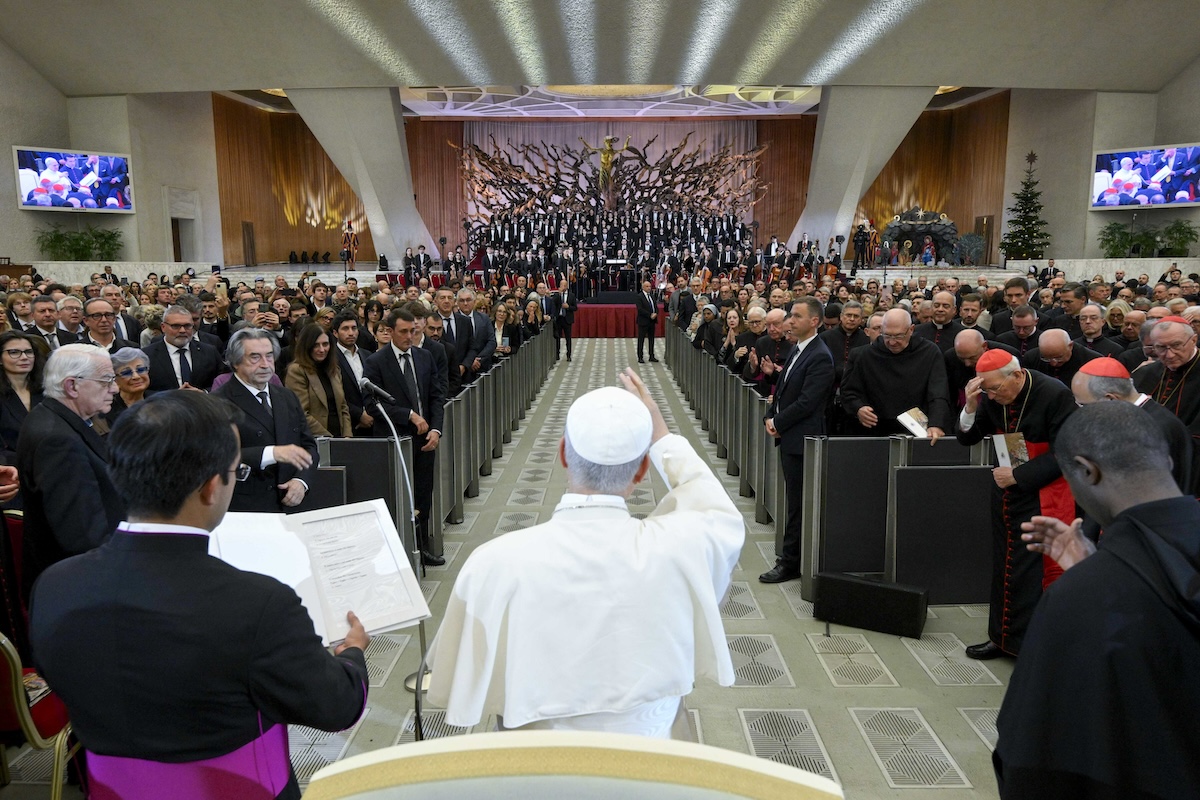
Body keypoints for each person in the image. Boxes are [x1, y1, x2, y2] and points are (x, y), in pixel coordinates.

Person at [29, 391, 369, 800]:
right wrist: (352, 652)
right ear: (211, 487)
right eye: (235, 472)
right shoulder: (258, 603)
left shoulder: (54, 585)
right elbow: (337, 706)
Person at [427, 370, 743, 738]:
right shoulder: (679, 547)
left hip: (535, 762)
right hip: (651, 754)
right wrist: (662, 437)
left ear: (563, 453)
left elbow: (456, 675)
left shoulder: (494, 561)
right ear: (642, 469)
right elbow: (716, 510)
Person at [993, 402, 1200, 798]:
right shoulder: (1096, 580)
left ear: (1087, 472)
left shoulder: (1078, 600)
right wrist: (1097, 566)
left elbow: (1033, 754)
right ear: (1168, 461)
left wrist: (1091, 578)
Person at [956, 349, 1076, 659]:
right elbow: (968, 438)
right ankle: (1001, 638)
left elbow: (1069, 451)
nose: (993, 397)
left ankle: (1030, 647)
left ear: (1018, 375)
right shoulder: (993, 397)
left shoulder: (1054, 394)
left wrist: (1019, 475)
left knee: (1030, 571)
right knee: (1004, 565)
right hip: (1006, 489)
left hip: (1042, 492)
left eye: (996, 389)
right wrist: (970, 406)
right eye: (987, 391)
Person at [16, 344, 124, 603]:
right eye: (106, 380)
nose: (115, 388)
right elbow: (83, 537)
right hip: (82, 591)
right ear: (72, 386)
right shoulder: (57, 440)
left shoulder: (56, 417)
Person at [363, 308, 446, 566]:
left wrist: (436, 429)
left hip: (424, 440)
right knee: (397, 496)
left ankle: (421, 548)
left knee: (423, 494)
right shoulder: (376, 362)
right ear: (390, 331)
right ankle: (396, 552)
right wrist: (407, 415)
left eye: (413, 331)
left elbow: (436, 396)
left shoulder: (424, 357)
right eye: (403, 332)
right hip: (394, 440)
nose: (409, 336)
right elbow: (371, 404)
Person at [760, 298, 835, 584]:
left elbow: (808, 402)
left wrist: (778, 422)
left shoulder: (819, 355)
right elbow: (782, 390)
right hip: (790, 434)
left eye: (796, 316)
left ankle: (790, 562)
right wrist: (771, 414)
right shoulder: (798, 348)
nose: (790, 321)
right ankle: (790, 556)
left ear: (814, 321)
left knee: (798, 504)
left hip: (804, 439)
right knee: (793, 499)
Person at [213, 329, 317, 512]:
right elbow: (217, 456)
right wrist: (271, 453)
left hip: (291, 504)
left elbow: (309, 446)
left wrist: (301, 481)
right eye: (255, 357)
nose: (265, 364)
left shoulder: (286, 396)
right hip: (246, 509)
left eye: (269, 356)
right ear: (236, 362)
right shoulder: (218, 401)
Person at [840, 309, 951, 440]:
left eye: (898, 336)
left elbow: (938, 392)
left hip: (916, 430)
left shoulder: (929, 352)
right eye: (887, 335)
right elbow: (848, 391)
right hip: (874, 430)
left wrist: (936, 424)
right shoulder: (862, 355)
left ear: (911, 329)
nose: (892, 342)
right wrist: (858, 408)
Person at [1132, 316, 1200, 496]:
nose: (1168, 355)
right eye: (1160, 348)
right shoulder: (1145, 373)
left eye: (1176, 345)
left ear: (1193, 340)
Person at [284, 323, 353, 438]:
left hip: (340, 440)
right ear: (307, 346)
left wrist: (347, 436)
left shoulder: (334, 370)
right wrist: (328, 438)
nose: (322, 349)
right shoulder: (296, 371)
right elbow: (301, 413)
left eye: (325, 344)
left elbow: (343, 407)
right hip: (314, 440)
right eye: (316, 345)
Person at [145, 305, 225, 391]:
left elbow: (224, 382)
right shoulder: (148, 356)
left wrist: (204, 393)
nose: (182, 330)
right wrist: (170, 397)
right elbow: (144, 390)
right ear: (163, 327)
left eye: (187, 326)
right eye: (176, 326)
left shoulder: (209, 352)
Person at [0, 331, 44, 463]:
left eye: (28, 352)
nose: (24, 357)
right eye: (14, 352)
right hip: (11, 468)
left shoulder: (47, 391)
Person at [104, 347, 154, 427]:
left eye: (140, 369)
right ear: (115, 379)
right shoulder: (107, 409)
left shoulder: (161, 401)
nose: (136, 376)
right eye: (126, 373)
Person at [635, 279, 659, 364]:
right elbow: (640, 309)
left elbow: (655, 306)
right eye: (647, 286)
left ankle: (651, 355)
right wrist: (650, 315)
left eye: (650, 286)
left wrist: (656, 313)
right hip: (643, 321)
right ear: (643, 287)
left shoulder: (652, 296)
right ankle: (640, 356)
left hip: (652, 321)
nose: (649, 288)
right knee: (641, 339)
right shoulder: (639, 296)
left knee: (651, 339)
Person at [552, 281, 578, 361]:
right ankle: (557, 354)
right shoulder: (557, 295)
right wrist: (559, 294)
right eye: (561, 285)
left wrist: (568, 307)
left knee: (568, 338)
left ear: (567, 286)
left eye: (564, 285)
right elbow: (553, 303)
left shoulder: (571, 295)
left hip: (567, 319)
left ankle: (569, 355)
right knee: (557, 337)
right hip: (559, 319)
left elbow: (575, 308)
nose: (563, 286)